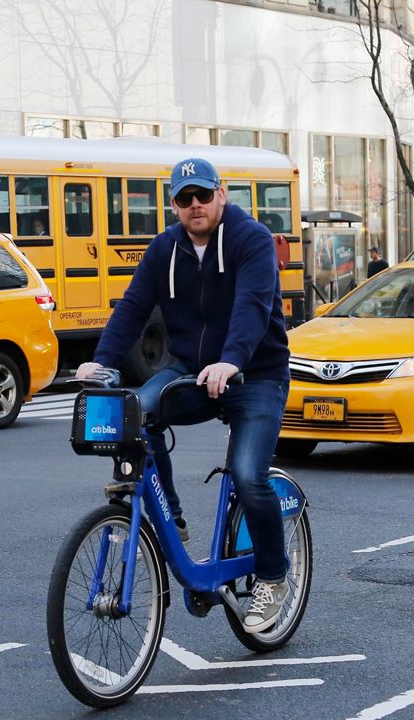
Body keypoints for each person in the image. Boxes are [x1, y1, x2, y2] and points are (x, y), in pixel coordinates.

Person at [75, 157, 292, 634]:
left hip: (255, 373)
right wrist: (103, 360)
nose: (195, 205)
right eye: (183, 198)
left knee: (249, 474)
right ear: (172, 204)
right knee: (137, 415)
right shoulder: (164, 249)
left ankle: (273, 578)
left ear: (221, 194)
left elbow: (252, 307)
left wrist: (232, 359)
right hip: (191, 372)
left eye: (203, 195)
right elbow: (132, 307)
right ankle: (170, 514)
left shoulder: (249, 239)